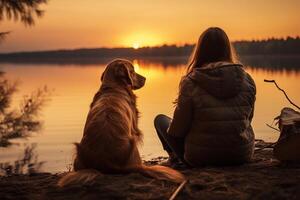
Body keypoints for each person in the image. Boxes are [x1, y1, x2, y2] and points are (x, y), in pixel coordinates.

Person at [154, 27, 256, 167]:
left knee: (160, 120)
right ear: (227, 49)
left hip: (201, 158)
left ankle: (174, 158)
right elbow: (248, 119)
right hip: (241, 155)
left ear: (200, 51)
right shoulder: (247, 79)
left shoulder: (190, 81)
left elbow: (178, 131)